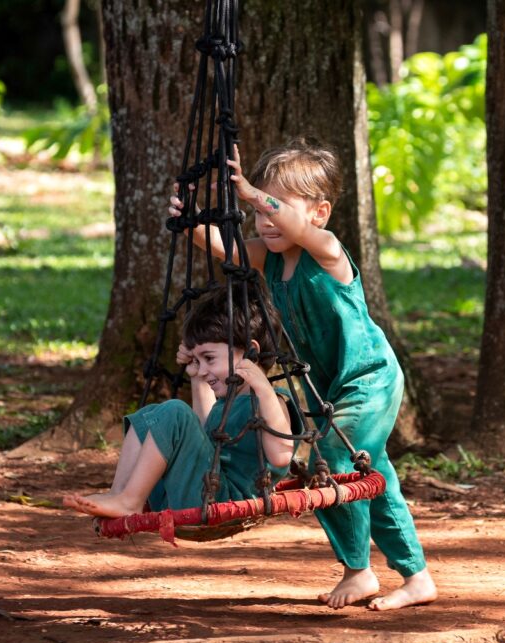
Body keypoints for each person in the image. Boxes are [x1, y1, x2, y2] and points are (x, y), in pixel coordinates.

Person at [169, 138, 438, 611]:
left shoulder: (328, 252)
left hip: (368, 379)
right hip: (325, 388)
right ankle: (415, 575)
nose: (265, 219)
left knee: (332, 456)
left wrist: (253, 193)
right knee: (370, 472)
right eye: (257, 212)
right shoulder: (270, 258)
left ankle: (358, 571)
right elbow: (222, 245)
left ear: (319, 213)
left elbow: (288, 222)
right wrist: (191, 218)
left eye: (276, 208)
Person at [63, 285, 300, 520]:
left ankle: (129, 501)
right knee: (149, 416)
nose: (204, 369)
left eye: (208, 358)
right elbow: (204, 431)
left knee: (175, 411)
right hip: (198, 492)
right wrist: (195, 373)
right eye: (198, 360)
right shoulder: (228, 401)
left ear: (250, 352)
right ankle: (121, 493)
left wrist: (264, 390)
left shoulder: (272, 402)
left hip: (227, 501)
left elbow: (281, 457)